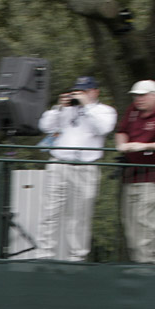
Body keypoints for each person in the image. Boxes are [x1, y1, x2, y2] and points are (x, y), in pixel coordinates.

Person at [36, 76, 117, 261]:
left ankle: (77, 257)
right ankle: (44, 255)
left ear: (95, 92)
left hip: (85, 167)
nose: (79, 94)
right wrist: (58, 108)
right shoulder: (66, 110)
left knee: (80, 215)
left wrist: (87, 106)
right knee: (50, 211)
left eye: (84, 91)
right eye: (77, 91)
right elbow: (45, 126)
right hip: (58, 163)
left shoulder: (104, 111)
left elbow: (103, 128)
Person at [115, 80, 155, 264]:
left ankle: (148, 265)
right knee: (130, 224)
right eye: (136, 95)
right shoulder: (132, 110)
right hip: (130, 176)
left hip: (153, 177)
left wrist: (144, 146)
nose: (138, 99)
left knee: (145, 223)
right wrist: (122, 145)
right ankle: (138, 265)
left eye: (142, 95)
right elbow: (121, 131)